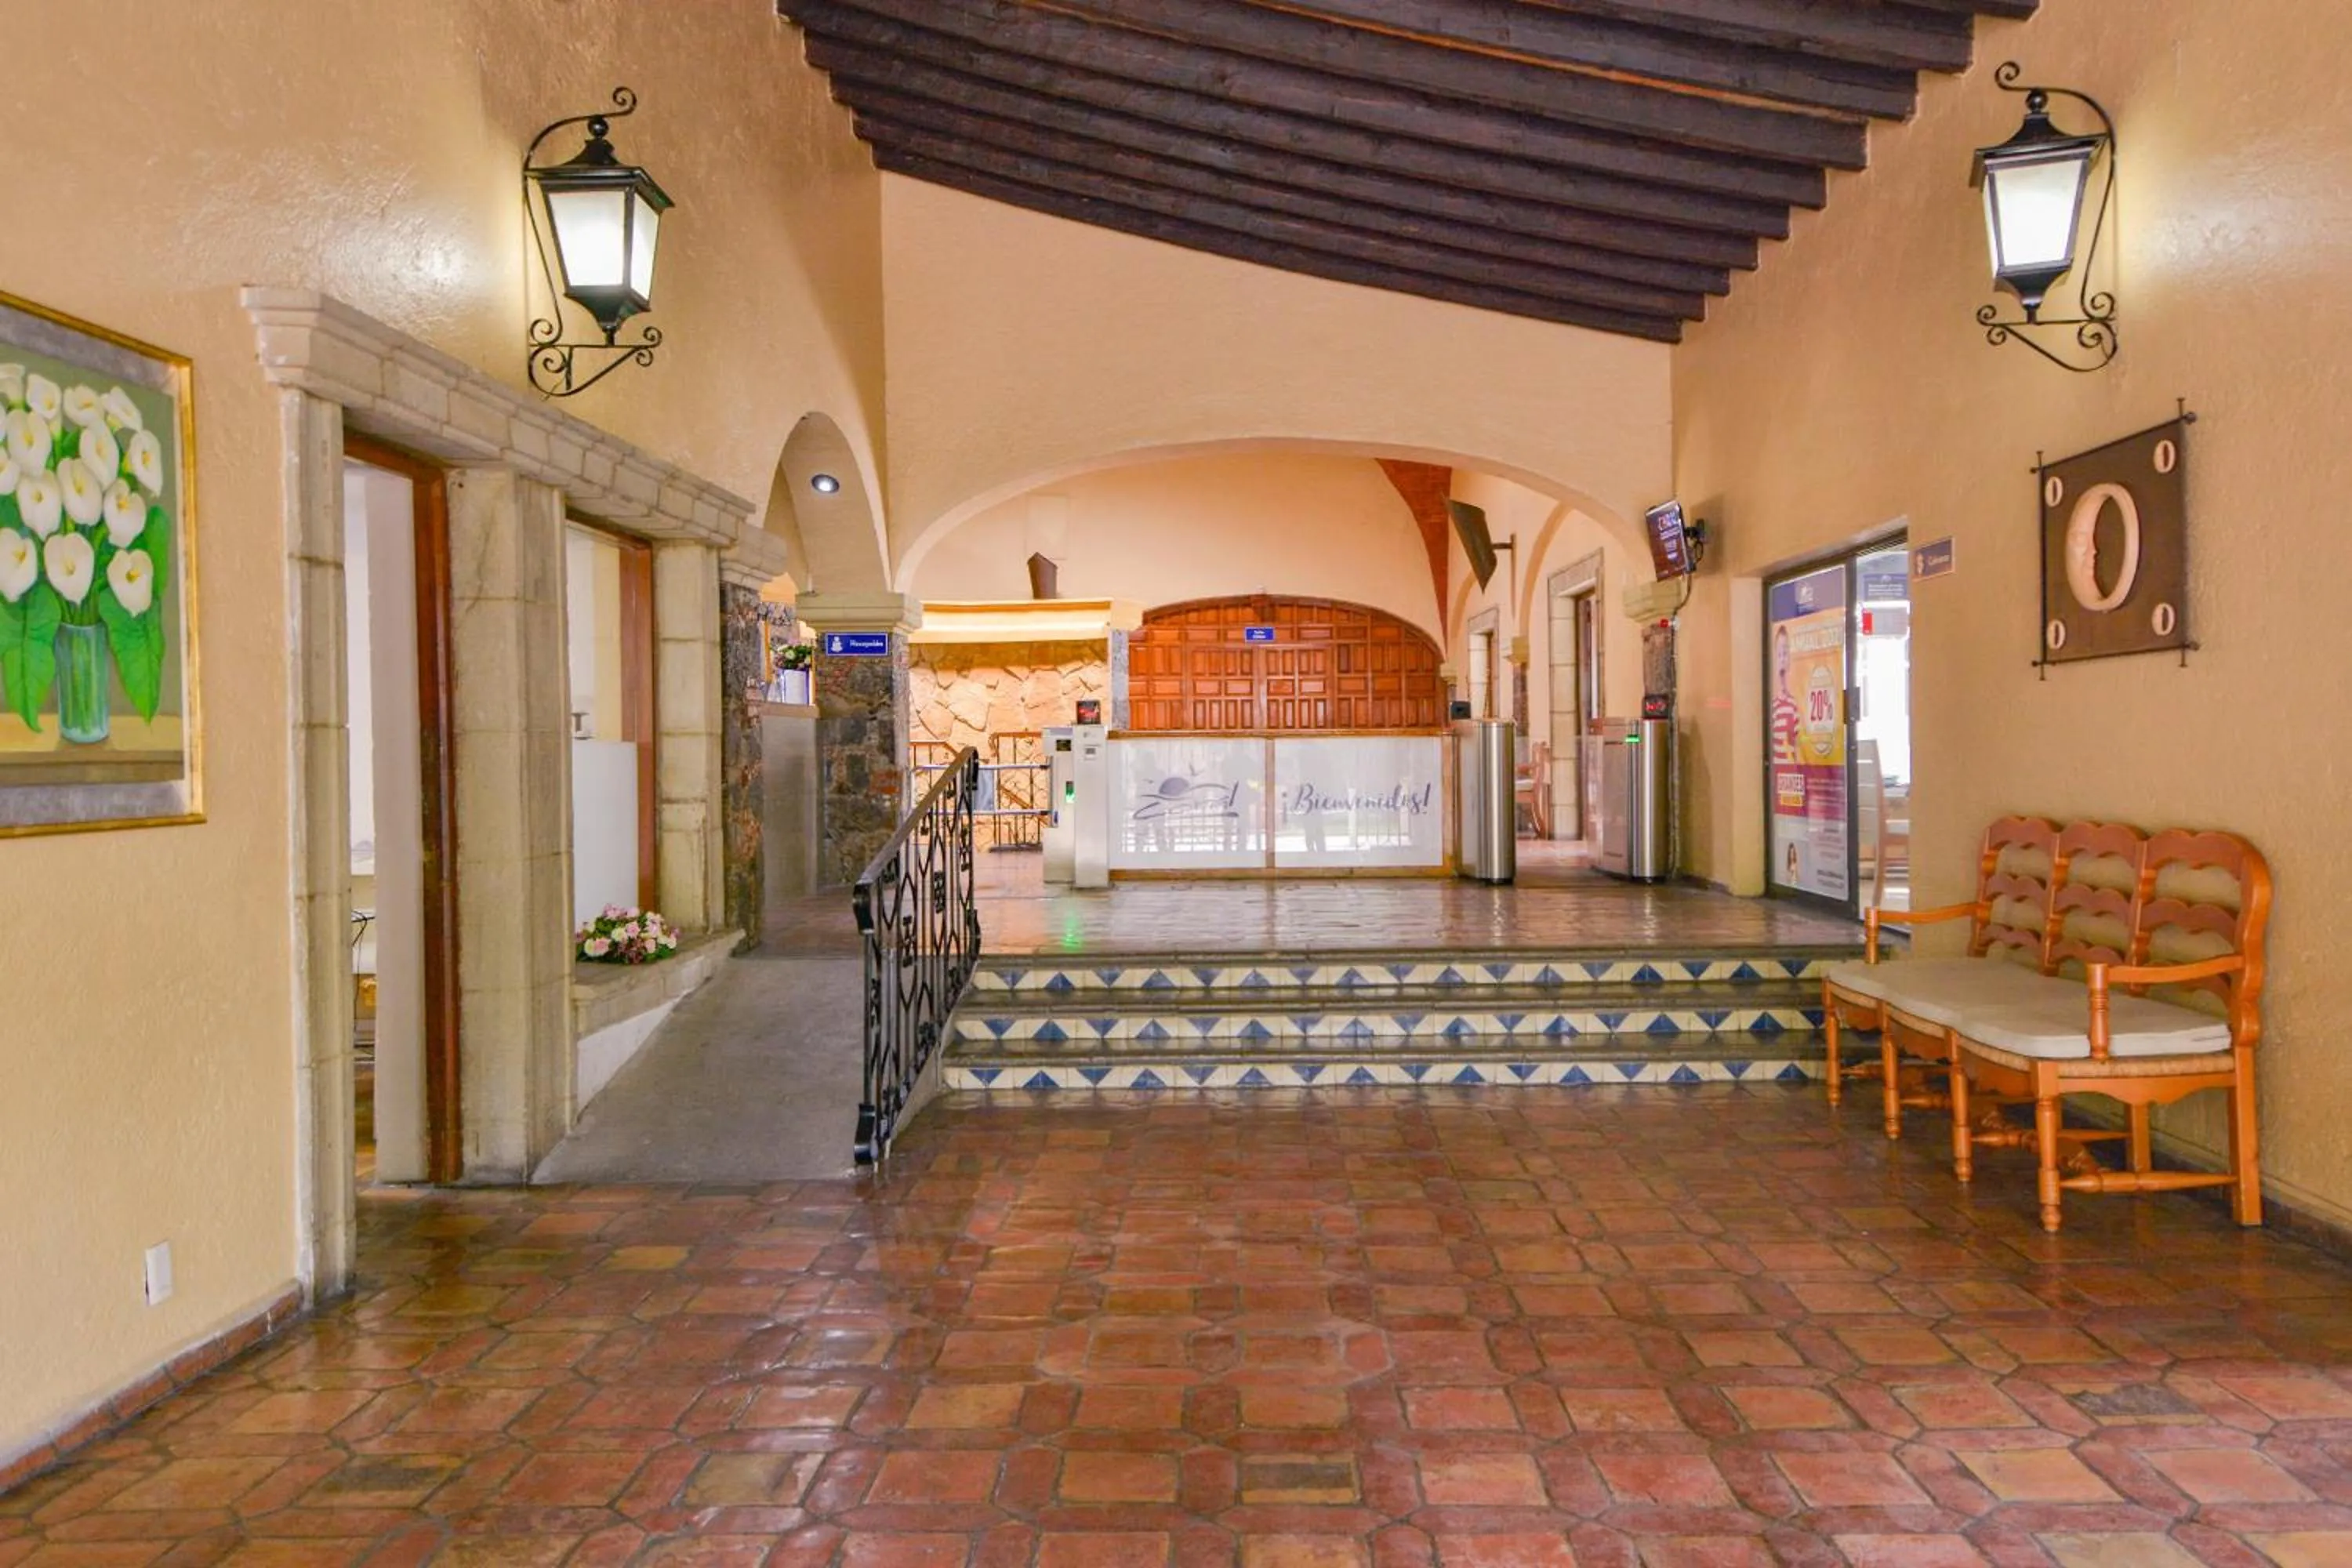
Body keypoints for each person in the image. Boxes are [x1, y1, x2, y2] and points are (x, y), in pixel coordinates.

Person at [1769, 626, 1801, 764]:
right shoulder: (1772, 705)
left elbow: (1799, 742)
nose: (1782, 659)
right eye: (1779, 654)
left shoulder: (1794, 705)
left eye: (1785, 653)